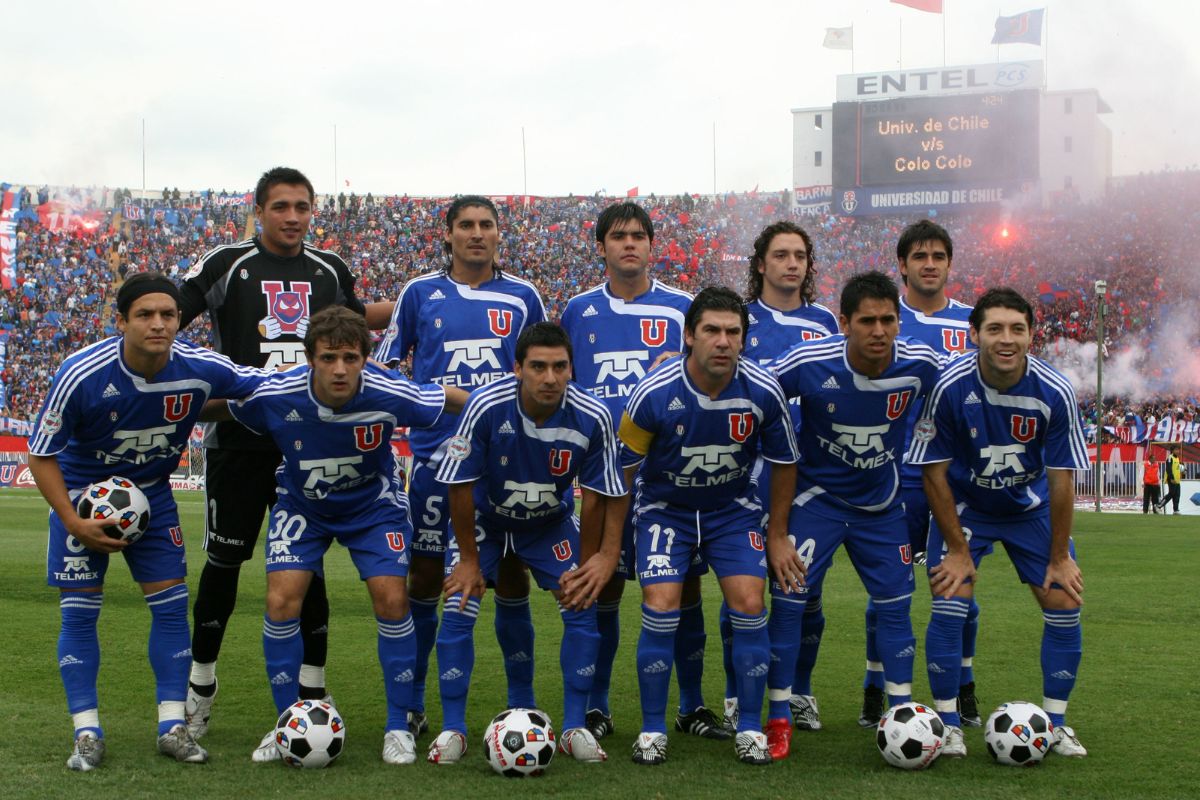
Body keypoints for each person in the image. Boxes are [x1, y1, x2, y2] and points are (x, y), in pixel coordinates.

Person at [179, 167, 390, 738]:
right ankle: (200, 682)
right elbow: (172, 310)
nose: (292, 216)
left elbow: (357, 326)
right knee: (224, 564)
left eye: (301, 206)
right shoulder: (227, 264)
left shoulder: (329, 269)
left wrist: (412, 302)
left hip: (311, 445)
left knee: (308, 566)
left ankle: (312, 688)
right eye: (281, 206)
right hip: (239, 444)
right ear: (259, 211)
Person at [28, 273, 268, 770]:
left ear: (180, 319)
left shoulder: (200, 367)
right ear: (121, 322)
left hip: (153, 500)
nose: (158, 324)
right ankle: (87, 732)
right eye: (144, 315)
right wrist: (73, 522)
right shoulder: (81, 373)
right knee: (78, 615)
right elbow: (40, 453)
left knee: (169, 610)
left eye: (168, 315)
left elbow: (263, 388)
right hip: (81, 501)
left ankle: (172, 725)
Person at [213, 307, 467, 764]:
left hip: (373, 507)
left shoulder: (388, 390)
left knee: (392, 599)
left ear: (366, 359)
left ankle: (398, 725)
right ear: (309, 358)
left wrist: (507, 407)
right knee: (280, 600)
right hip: (303, 506)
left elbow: (446, 398)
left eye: (351, 357)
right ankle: (285, 724)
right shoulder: (277, 393)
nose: (340, 369)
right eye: (329, 357)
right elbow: (220, 406)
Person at [374, 195, 547, 738]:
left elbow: (543, 370)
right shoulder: (419, 293)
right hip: (434, 460)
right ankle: (415, 701)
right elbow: (383, 370)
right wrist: (432, 399)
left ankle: (523, 702)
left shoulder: (524, 296)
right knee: (426, 576)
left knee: (512, 573)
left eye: (486, 225)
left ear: (500, 234)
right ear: (447, 235)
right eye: (466, 226)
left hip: (506, 466)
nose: (477, 234)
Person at [561, 203, 729, 742]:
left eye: (638, 236)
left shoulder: (684, 309)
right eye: (618, 236)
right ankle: (597, 705)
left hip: (668, 481)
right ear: (602, 247)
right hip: (602, 478)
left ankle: (693, 704)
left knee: (686, 590)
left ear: (652, 246)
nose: (629, 244)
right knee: (600, 586)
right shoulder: (577, 310)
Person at [619, 286, 803, 765]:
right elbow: (621, 470)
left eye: (732, 332)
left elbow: (785, 464)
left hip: (731, 510)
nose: (723, 341)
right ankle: (653, 728)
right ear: (689, 336)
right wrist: (612, 540)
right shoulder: (652, 393)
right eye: (712, 331)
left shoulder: (763, 391)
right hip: (665, 509)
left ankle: (747, 727)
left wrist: (778, 534)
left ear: (744, 339)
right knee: (661, 604)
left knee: (749, 602)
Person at [430, 322, 627, 764]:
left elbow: (601, 495)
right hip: (487, 519)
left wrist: (594, 559)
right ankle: (452, 730)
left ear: (572, 369)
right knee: (460, 605)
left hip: (548, 523)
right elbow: (459, 485)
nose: (550, 377)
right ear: (517, 368)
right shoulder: (485, 405)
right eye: (538, 366)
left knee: (580, 603)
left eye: (560, 367)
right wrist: (467, 560)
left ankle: (575, 726)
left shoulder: (592, 415)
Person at [766, 271, 942, 759]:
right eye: (867, 320)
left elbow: (955, 393)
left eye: (889, 320)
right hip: (815, 499)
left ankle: (902, 715)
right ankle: (779, 715)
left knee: (895, 605)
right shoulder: (809, 360)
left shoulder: (921, 364)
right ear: (843, 323)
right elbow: (757, 391)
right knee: (788, 602)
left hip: (881, 504)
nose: (879, 330)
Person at [909, 287, 1090, 758]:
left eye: (1016, 329)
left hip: (1029, 510)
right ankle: (948, 725)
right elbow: (933, 473)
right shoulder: (949, 387)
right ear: (975, 335)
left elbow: (1062, 481)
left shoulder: (1055, 391)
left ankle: (1055, 723)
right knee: (949, 600)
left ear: (1031, 335)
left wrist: (1059, 556)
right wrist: (956, 549)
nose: (1005, 339)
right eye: (994, 329)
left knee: (1064, 601)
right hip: (967, 507)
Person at [858, 220, 981, 729]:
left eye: (938, 255)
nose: (930, 263)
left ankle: (964, 690)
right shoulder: (887, 319)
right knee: (890, 592)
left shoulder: (975, 322)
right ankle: (875, 687)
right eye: (919, 255)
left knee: (961, 587)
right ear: (902, 265)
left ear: (950, 264)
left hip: (958, 477)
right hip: (900, 473)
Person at [738, 221, 837, 741]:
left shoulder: (824, 323)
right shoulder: (740, 320)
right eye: (780, 255)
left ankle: (799, 690)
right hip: (747, 469)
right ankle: (740, 694)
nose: (792, 263)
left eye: (800, 255)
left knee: (806, 590)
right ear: (761, 264)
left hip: (808, 474)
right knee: (747, 587)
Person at [1160, 449, 1182, 514]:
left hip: (1177, 480)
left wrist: (1183, 469)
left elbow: (1177, 468)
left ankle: (1176, 510)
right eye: (1176, 450)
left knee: (1177, 495)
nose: (1178, 451)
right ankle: (1159, 505)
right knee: (1171, 494)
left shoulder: (1177, 458)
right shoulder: (1170, 458)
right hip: (1171, 479)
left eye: (1178, 450)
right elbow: (1168, 468)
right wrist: (1171, 478)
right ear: (1172, 451)